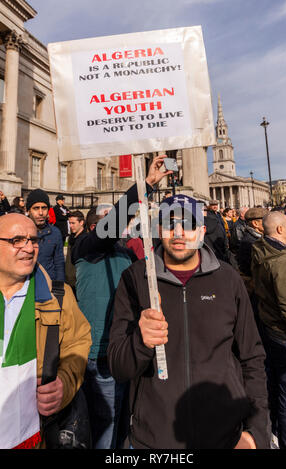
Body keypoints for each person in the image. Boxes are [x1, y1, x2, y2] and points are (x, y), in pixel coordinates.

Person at [107, 194, 271, 449]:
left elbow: (252, 358)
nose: (179, 232)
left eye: (189, 224)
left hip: (225, 435)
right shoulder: (135, 279)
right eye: (170, 223)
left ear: (202, 230)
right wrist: (140, 342)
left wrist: (257, 433)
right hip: (155, 439)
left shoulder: (228, 279)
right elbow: (118, 367)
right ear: (157, 228)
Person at [72, 155, 173, 449]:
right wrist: (146, 185)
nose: (123, 225)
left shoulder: (128, 253)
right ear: (95, 227)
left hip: (128, 349)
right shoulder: (86, 249)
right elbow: (110, 228)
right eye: (110, 219)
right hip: (99, 352)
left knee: (125, 425)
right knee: (107, 427)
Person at [0, 213, 91, 449]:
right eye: (17, 240)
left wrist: (64, 383)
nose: (29, 248)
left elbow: (78, 343)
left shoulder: (60, 297)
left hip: (33, 435)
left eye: (33, 240)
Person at [251, 211, 286, 449]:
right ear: (280, 230)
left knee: (281, 388)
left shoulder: (260, 249)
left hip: (270, 329)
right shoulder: (282, 263)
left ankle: (278, 433)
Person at [26, 189, 65, 282]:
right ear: (28, 211)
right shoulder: (19, 232)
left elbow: (59, 263)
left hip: (48, 285)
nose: (40, 213)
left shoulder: (55, 233)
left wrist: (59, 287)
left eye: (44, 208)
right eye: (36, 208)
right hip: (25, 286)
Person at [237, 207, 268, 278]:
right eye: (266, 220)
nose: (270, 223)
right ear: (255, 223)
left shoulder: (260, 237)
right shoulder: (250, 242)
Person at [65, 210, 86, 295]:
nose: (71, 226)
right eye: (69, 223)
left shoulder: (86, 239)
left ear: (81, 223)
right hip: (69, 281)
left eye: (73, 223)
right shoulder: (71, 238)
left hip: (80, 282)